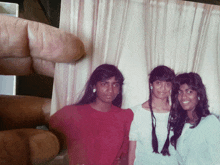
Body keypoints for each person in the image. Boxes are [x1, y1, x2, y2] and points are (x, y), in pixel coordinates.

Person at [49, 64, 134, 165]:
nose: (110, 90)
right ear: (94, 85)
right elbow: (47, 141)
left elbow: (126, 155)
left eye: (115, 84)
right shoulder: (71, 113)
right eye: (104, 84)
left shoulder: (126, 116)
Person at [128, 65, 178, 165]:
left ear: (172, 86)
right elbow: (132, 152)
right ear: (151, 84)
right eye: (158, 83)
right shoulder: (136, 112)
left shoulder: (177, 113)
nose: (163, 88)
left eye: (167, 84)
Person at [169, 72, 220, 165]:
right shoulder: (181, 125)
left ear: (199, 94)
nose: (184, 97)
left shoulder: (210, 122)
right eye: (180, 92)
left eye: (189, 92)